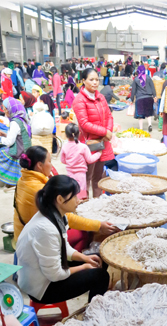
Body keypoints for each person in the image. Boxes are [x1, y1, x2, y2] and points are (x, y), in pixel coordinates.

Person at [16, 175, 110, 306]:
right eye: (74, 197)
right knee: (101, 276)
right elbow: (55, 275)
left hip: (49, 271)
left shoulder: (57, 215)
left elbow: (63, 246)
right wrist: (83, 267)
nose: (78, 200)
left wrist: (84, 258)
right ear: (60, 199)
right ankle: (93, 317)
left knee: (100, 259)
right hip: (41, 287)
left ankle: (93, 307)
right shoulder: (45, 229)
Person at [14, 146, 116, 254]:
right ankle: (69, 258)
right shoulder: (38, 188)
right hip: (33, 243)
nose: (51, 165)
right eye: (49, 161)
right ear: (39, 165)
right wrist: (98, 226)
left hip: (22, 235)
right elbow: (65, 218)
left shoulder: (24, 179)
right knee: (85, 232)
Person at [72, 68, 116, 198]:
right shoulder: (79, 100)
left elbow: (109, 116)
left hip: (102, 142)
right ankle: (85, 206)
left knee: (98, 177)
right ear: (83, 81)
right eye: (91, 80)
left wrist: (108, 132)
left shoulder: (100, 97)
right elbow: (84, 124)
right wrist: (105, 132)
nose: (95, 82)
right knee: (86, 177)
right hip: (89, 143)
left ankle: (97, 204)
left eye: (97, 79)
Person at [0, 98, 31, 187]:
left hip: (16, 152)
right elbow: (19, 136)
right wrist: (5, 134)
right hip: (24, 150)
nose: (4, 111)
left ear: (10, 109)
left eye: (5, 108)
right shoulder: (23, 119)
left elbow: (9, 142)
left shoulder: (14, 123)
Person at [61, 123, 102, 199]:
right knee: (81, 194)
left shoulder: (64, 146)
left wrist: (70, 162)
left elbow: (63, 160)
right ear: (79, 134)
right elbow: (90, 159)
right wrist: (98, 154)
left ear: (66, 135)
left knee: (72, 193)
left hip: (70, 174)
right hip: (81, 175)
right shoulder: (83, 147)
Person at [130, 65, 157, 132]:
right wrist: (155, 96)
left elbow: (133, 90)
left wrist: (132, 99)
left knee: (140, 114)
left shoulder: (136, 79)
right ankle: (149, 124)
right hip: (149, 98)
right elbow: (152, 87)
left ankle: (141, 128)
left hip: (140, 98)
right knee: (148, 113)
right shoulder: (148, 78)